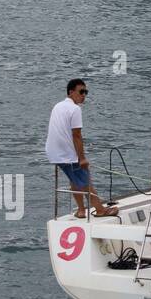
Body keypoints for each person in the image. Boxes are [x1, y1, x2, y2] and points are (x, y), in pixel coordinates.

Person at [45, 78, 118, 219]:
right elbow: (77, 135)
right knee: (85, 179)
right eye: (81, 92)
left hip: (54, 152)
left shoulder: (58, 106)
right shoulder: (75, 109)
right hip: (66, 153)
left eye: (86, 92)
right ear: (71, 92)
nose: (84, 95)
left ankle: (81, 210)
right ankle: (100, 209)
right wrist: (82, 158)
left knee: (74, 179)